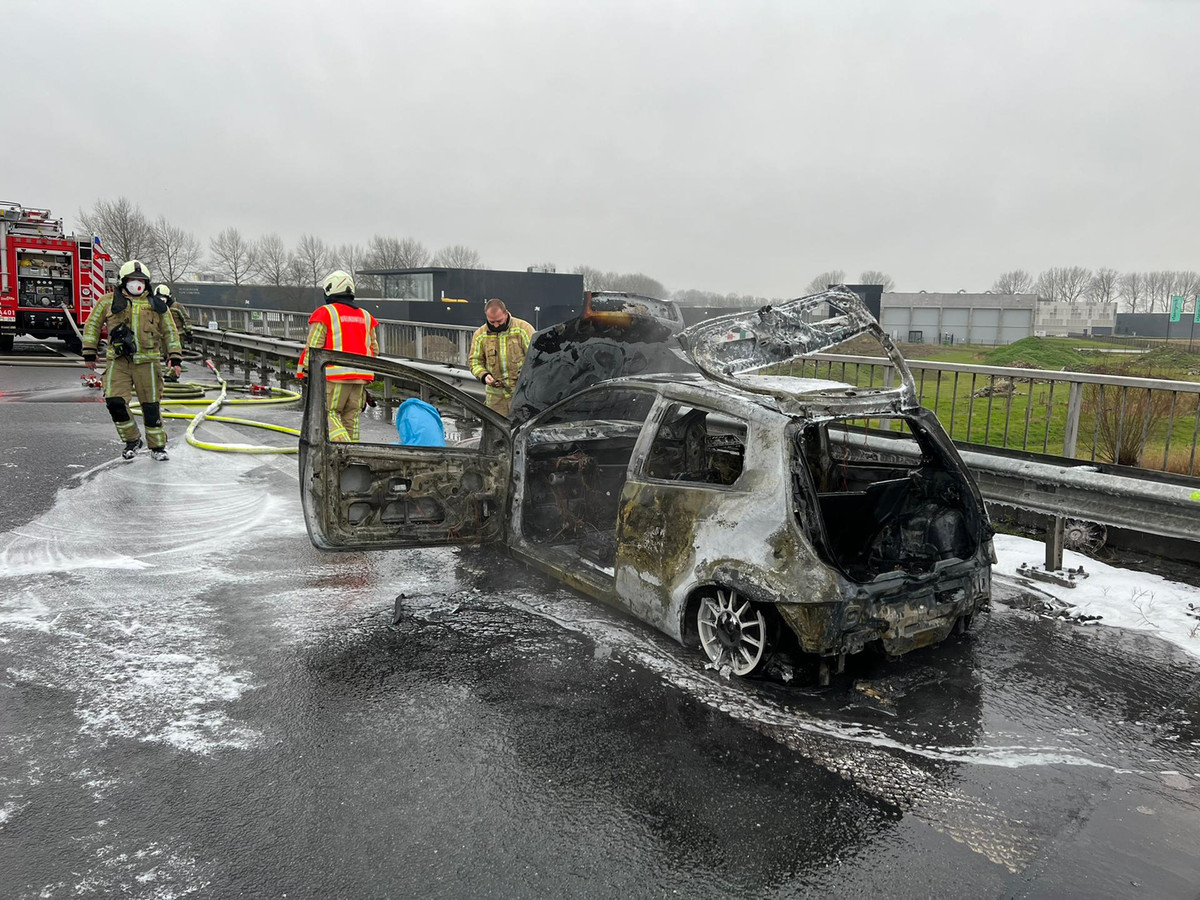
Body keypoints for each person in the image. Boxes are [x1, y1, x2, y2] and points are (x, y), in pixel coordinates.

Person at [81, 260, 182, 461]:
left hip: (148, 363)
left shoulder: (157, 305)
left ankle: (158, 446)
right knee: (115, 401)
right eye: (133, 280)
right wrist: (89, 351)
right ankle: (132, 440)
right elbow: (92, 325)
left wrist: (175, 357)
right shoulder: (107, 301)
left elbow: (170, 331)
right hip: (119, 362)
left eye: (141, 280)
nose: (137, 284)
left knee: (151, 406)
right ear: (123, 281)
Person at [296, 270, 380, 442]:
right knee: (352, 419)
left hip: (334, 378)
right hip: (360, 379)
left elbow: (314, 348)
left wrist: (305, 372)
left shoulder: (325, 313)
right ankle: (353, 461)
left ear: (329, 290)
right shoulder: (366, 316)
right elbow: (374, 350)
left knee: (328, 413)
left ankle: (344, 450)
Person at [469, 298, 534, 417]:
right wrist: (484, 375)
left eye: (499, 321)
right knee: (497, 433)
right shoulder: (480, 334)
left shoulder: (523, 329)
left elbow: (536, 357)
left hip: (522, 395)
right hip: (496, 401)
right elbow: (474, 361)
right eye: (492, 322)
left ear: (506, 313)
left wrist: (526, 373)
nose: (496, 325)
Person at [154, 284, 192, 382]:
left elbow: (185, 318)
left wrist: (189, 332)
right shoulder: (156, 307)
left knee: (174, 354)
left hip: (178, 334)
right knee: (166, 355)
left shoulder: (176, 306)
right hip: (164, 336)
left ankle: (173, 373)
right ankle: (170, 371)